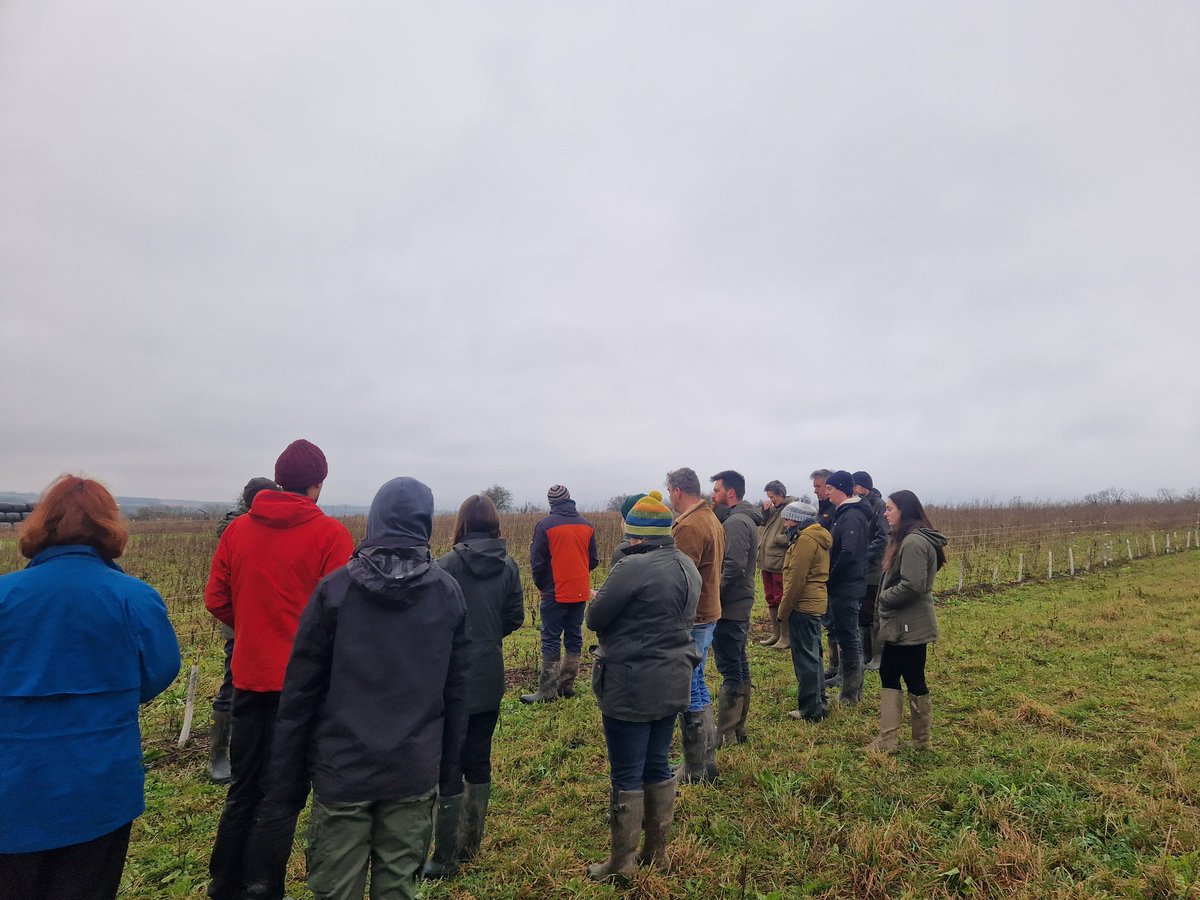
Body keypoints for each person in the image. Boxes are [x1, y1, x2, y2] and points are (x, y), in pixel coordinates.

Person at [264, 477, 469, 900]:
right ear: (424, 524)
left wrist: (285, 785)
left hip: (343, 772)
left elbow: (299, 695)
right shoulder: (448, 595)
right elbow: (458, 695)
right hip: (413, 770)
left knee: (336, 889)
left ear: (375, 520)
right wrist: (447, 777)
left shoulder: (334, 591)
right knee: (398, 887)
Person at [0, 475, 180, 900]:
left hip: (11, 790)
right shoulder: (134, 597)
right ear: (109, 528)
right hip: (100, 789)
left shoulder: (4, 596)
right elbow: (159, 672)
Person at [205, 439, 355, 900]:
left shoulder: (237, 531)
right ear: (318, 483)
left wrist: (251, 627)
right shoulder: (332, 536)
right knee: (283, 793)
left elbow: (216, 599)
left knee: (245, 786)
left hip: (249, 678)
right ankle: (261, 887)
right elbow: (342, 615)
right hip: (303, 689)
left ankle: (223, 884)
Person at [585, 494, 700, 882]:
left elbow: (596, 616)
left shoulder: (632, 568)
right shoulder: (686, 565)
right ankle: (657, 854)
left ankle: (621, 863)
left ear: (634, 534)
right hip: (673, 680)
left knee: (627, 772)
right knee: (657, 764)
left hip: (630, 683)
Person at [424, 494, 524, 878]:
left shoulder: (445, 565)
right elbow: (514, 616)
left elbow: (432, 621)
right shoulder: (509, 566)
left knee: (448, 762)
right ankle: (469, 844)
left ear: (462, 523)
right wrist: (486, 639)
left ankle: (444, 856)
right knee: (479, 758)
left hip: (449, 679)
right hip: (489, 676)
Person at [862, 490, 947, 753]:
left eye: (889, 508)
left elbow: (913, 585)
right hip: (907, 623)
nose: (885, 513)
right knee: (908, 676)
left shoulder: (913, 542)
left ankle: (890, 742)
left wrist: (884, 598)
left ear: (904, 511)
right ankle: (917, 740)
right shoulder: (909, 539)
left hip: (908, 625)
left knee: (895, 675)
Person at [209, 476, 279, 785]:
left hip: (259, 622)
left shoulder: (244, 526)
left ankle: (248, 750)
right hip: (240, 625)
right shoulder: (237, 530)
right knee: (232, 685)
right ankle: (218, 757)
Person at [665, 468, 724, 784]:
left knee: (689, 686)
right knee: (697, 682)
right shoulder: (709, 517)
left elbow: (680, 580)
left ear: (676, 490)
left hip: (694, 616)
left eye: (669, 491)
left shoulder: (689, 525)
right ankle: (704, 763)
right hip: (707, 612)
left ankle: (697, 768)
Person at [522, 485, 598, 704]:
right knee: (574, 635)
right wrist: (578, 575)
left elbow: (537, 562)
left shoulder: (545, 525)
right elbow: (593, 560)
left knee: (551, 638)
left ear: (551, 503)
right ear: (569, 500)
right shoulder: (587, 525)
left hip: (554, 592)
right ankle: (567, 685)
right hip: (580, 590)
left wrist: (543, 585)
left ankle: (547, 691)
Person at [709, 470, 762, 746]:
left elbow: (734, 566)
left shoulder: (737, 522)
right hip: (736, 604)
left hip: (731, 606)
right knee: (738, 663)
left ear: (730, 492)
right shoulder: (738, 519)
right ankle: (736, 728)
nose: (713, 495)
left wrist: (713, 597)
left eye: (717, 490)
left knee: (731, 666)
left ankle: (727, 731)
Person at [776, 501, 831, 722]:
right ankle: (819, 703)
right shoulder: (814, 536)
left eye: (788, 518)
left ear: (797, 520)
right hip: (814, 603)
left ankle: (810, 709)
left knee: (806, 659)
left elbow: (796, 580)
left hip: (803, 605)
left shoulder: (805, 540)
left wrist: (783, 610)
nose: (785, 523)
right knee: (814, 655)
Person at [824, 470, 871, 706]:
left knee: (849, 639)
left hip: (846, 587)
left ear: (841, 489)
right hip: (845, 586)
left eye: (829, 489)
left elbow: (848, 552)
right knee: (847, 636)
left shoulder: (851, 516)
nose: (826, 493)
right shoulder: (844, 513)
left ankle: (850, 695)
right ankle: (851, 690)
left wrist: (830, 578)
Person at [852, 471, 890, 672]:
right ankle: (866, 655)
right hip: (860, 570)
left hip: (873, 568)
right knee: (862, 614)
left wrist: (864, 556)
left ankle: (878, 656)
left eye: (855, 485)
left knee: (873, 612)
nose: (852, 489)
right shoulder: (857, 504)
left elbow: (883, 537)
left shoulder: (879, 505)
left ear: (863, 486)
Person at [756, 480, 797, 650]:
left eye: (772, 497)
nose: (770, 500)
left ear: (780, 493)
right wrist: (764, 511)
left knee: (781, 599)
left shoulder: (791, 508)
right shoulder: (775, 509)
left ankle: (786, 636)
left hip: (779, 561)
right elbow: (764, 524)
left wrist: (777, 539)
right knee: (771, 598)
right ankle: (776, 634)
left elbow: (792, 533)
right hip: (767, 561)